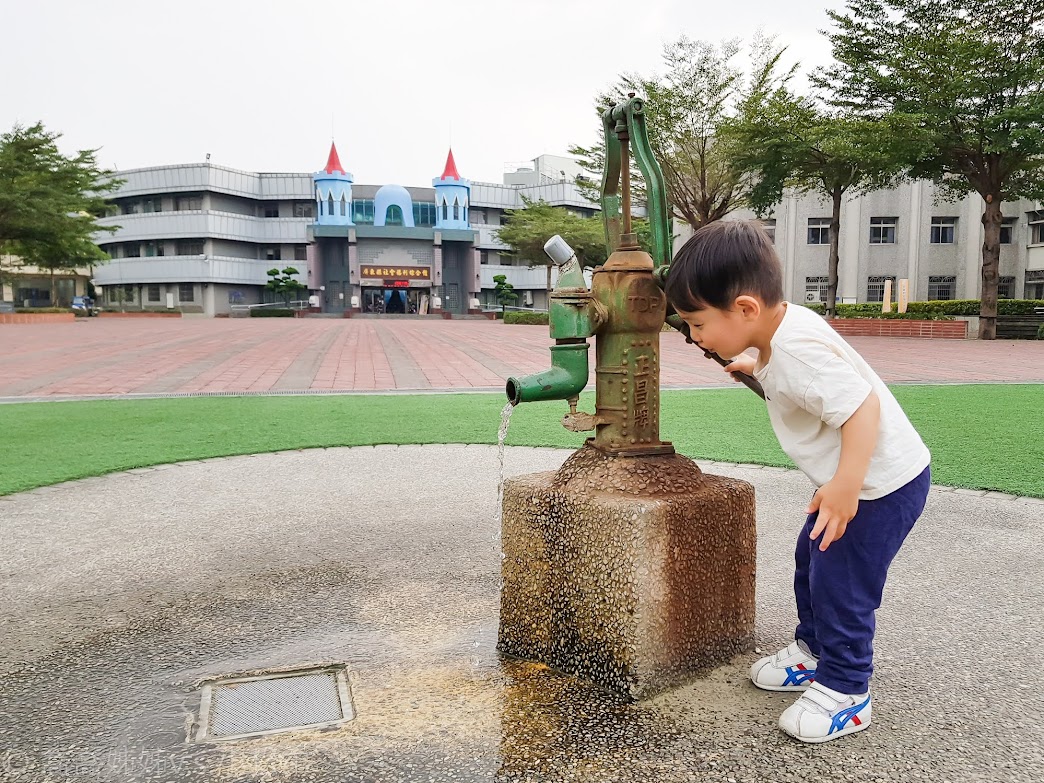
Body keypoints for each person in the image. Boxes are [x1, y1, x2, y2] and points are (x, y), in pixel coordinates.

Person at [664, 220, 931, 744]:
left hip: (881, 484)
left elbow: (861, 407)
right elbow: (783, 366)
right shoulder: (779, 329)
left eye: (696, 324)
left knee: (842, 583)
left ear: (744, 309)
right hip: (858, 478)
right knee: (813, 558)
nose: (695, 337)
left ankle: (848, 690)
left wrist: (846, 486)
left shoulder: (796, 350)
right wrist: (753, 361)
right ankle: (813, 652)